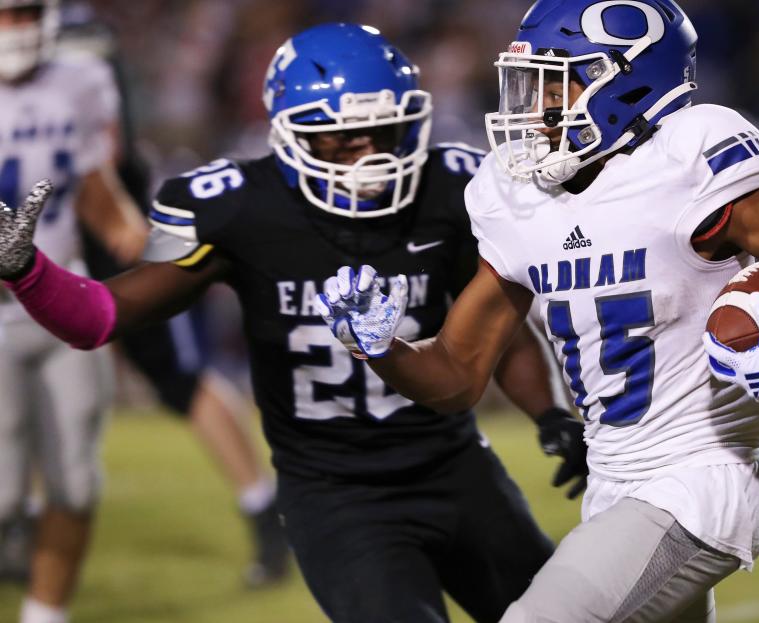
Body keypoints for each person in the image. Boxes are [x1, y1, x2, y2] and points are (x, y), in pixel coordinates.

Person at [313, 1, 759, 622]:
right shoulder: (515, 199)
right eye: (527, 82)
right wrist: (382, 346)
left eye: (555, 81)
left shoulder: (685, 163)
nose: (534, 105)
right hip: (613, 486)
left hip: (698, 483)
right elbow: (458, 375)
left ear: (627, 81)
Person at [0, 23, 588, 623]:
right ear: (288, 137)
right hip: (337, 496)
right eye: (338, 139)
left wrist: (547, 414)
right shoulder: (239, 207)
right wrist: (27, 269)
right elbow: (100, 317)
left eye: (381, 131)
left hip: (458, 469)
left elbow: (497, 326)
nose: (367, 155)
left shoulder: (453, 188)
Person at [57, 10, 289, 587]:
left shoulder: (74, 39)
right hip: (50, 229)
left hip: (114, 223)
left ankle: (264, 509)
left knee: (181, 374)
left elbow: (101, 151)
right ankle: (25, 516)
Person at [0, 1, 144, 621]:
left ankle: (44, 616)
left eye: (25, 13)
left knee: (76, 484)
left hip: (62, 301)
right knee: (1, 494)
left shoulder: (83, 79)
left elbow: (89, 181)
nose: (16, 29)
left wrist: (140, 236)